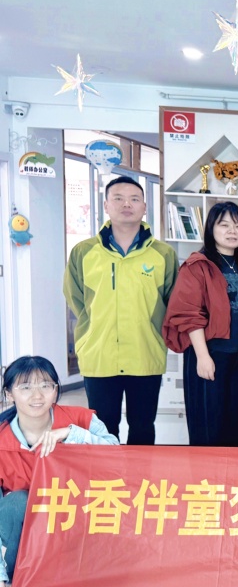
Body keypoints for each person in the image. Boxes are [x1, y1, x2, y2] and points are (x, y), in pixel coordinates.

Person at [63, 176, 178, 444]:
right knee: (103, 429)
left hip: (145, 353)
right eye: (118, 198)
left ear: (144, 207)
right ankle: (106, 474)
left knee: (143, 426)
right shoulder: (84, 252)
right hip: (99, 354)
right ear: (106, 205)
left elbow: (171, 300)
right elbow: (75, 297)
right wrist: (96, 326)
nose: (127, 204)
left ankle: (140, 473)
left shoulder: (163, 254)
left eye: (134, 199)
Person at [0, 356, 119, 587]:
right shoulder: (1, 438)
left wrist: (71, 433)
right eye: (25, 387)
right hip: (28, 524)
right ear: (9, 393)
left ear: (56, 390)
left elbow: (118, 455)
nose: (37, 395)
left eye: (45, 385)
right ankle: (15, 579)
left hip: (77, 515)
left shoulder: (81, 418)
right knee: (18, 502)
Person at [162, 202, 238, 446]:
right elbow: (189, 314)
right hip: (210, 355)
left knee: (237, 428)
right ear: (211, 229)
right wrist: (203, 357)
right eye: (224, 225)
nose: (232, 231)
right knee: (208, 430)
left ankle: (233, 471)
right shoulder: (197, 266)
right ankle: (205, 473)